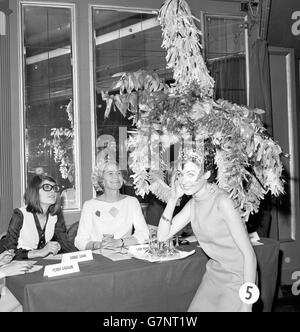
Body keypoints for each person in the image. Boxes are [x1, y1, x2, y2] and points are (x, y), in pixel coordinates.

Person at [157, 154, 257, 312]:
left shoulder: (223, 201)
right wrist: (173, 198)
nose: (184, 181)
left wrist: (247, 305)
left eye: (191, 174)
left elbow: (249, 255)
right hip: (215, 274)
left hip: (240, 277)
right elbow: (162, 236)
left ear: (206, 174)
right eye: (181, 174)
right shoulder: (193, 204)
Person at [75, 161, 149, 251]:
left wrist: (119, 242)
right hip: (98, 258)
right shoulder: (89, 206)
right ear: (101, 180)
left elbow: (144, 234)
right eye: (110, 173)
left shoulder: (132, 202)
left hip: (125, 257)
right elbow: (80, 241)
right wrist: (99, 245)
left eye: (118, 173)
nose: (116, 176)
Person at [0, 175, 78, 260]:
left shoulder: (55, 215)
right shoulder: (19, 214)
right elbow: (8, 252)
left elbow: (66, 245)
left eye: (55, 188)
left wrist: (83, 255)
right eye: (47, 187)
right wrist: (39, 252)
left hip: (38, 263)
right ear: (35, 191)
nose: (53, 192)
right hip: (16, 264)